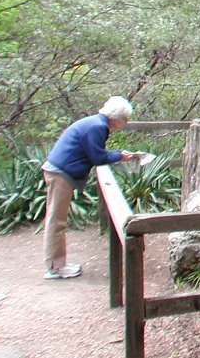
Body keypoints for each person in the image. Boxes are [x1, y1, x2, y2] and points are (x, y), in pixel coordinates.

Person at [42, 96, 141, 280]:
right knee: (56, 220)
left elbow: (96, 153)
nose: (126, 122)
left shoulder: (96, 124)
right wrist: (120, 155)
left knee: (57, 219)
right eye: (125, 118)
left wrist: (119, 155)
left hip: (60, 172)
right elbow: (98, 157)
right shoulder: (97, 127)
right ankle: (54, 267)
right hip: (60, 173)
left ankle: (58, 264)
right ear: (116, 116)